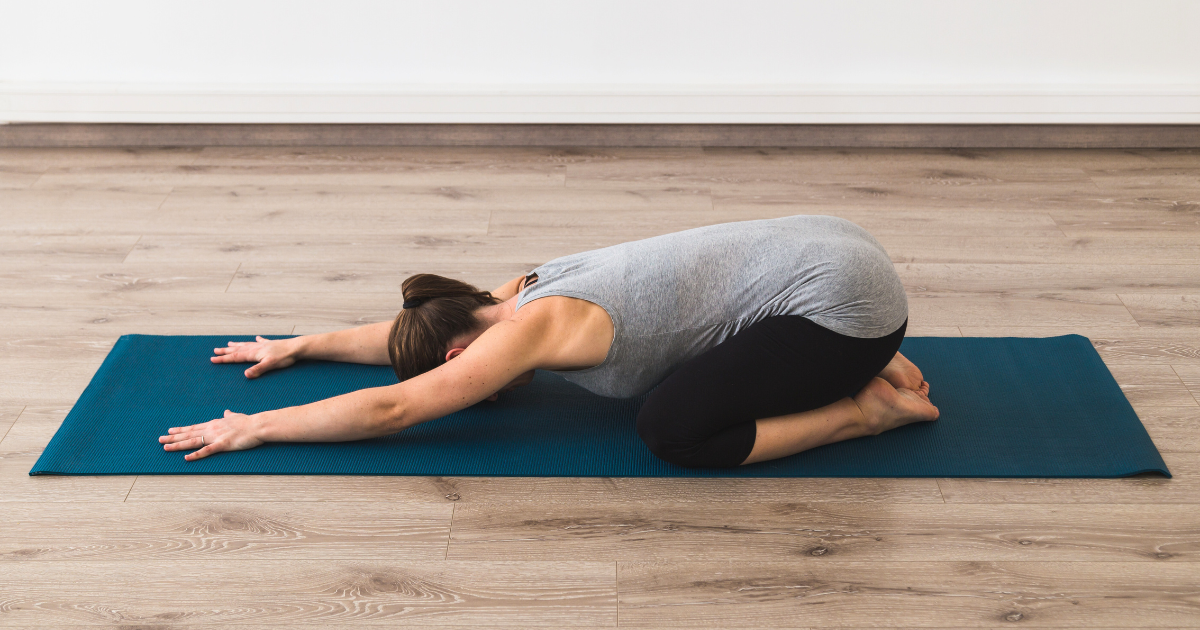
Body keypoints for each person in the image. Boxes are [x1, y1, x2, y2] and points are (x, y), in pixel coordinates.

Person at [160, 215, 939, 467]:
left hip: (848, 301)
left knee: (672, 430)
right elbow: (404, 339)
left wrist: (255, 426)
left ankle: (868, 410)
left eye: (457, 372)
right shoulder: (510, 292)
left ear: (461, 357)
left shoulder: (534, 326)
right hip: (829, 248)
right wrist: (305, 344)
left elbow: (394, 410)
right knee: (699, 358)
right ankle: (858, 350)